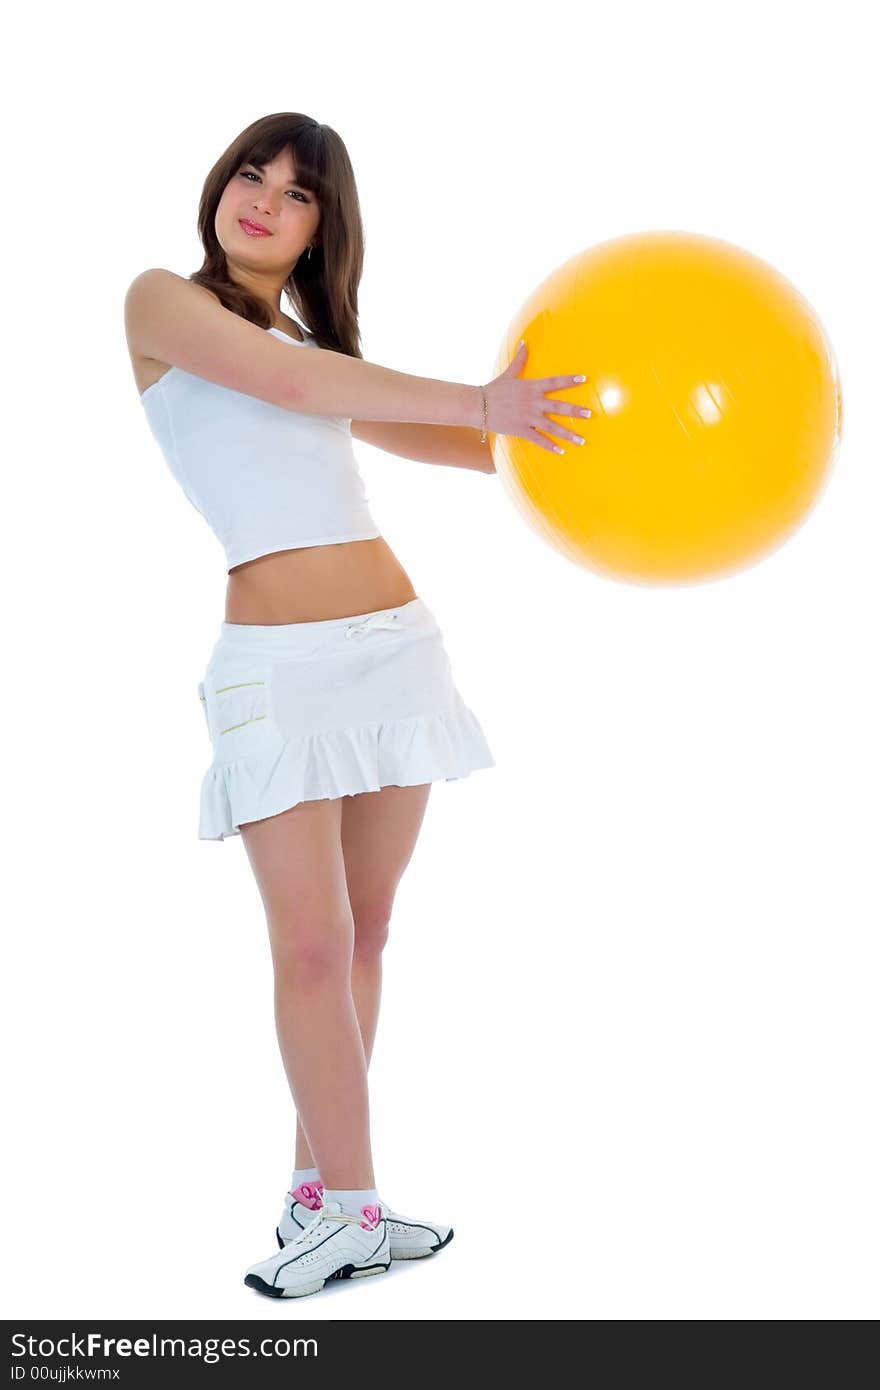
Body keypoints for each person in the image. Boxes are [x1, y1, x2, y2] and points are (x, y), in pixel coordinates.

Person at [124, 113, 591, 1301]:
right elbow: (293, 381)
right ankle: (358, 1210)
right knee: (312, 944)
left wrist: (565, 434)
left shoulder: (313, 341)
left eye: (299, 192)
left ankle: (319, 1199)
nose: (266, 200)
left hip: (395, 656)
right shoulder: (165, 308)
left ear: (328, 226)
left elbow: (433, 430)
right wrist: (484, 403)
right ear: (219, 188)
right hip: (276, 672)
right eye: (251, 174)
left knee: (368, 935)